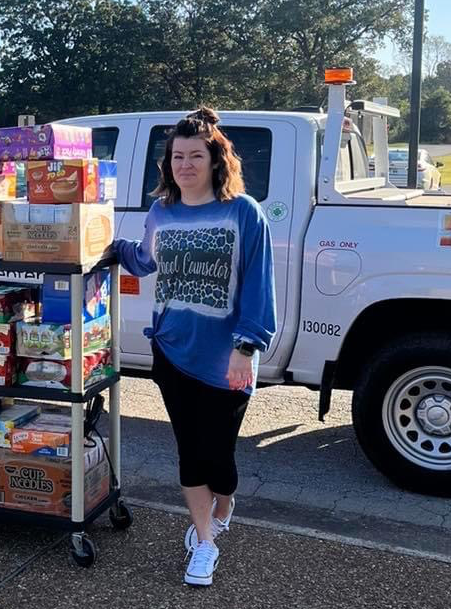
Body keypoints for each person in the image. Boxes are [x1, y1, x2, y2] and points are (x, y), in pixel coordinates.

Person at [114, 108, 276, 586]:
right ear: (168, 164)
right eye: (176, 157)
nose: (185, 164)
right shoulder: (162, 211)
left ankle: (223, 506)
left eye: (195, 156)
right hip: (172, 351)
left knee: (220, 460)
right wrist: (106, 246)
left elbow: (258, 286)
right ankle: (204, 541)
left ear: (214, 159)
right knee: (190, 451)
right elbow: (144, 259)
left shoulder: (243, 211)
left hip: (227, 358)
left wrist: (246, 347)